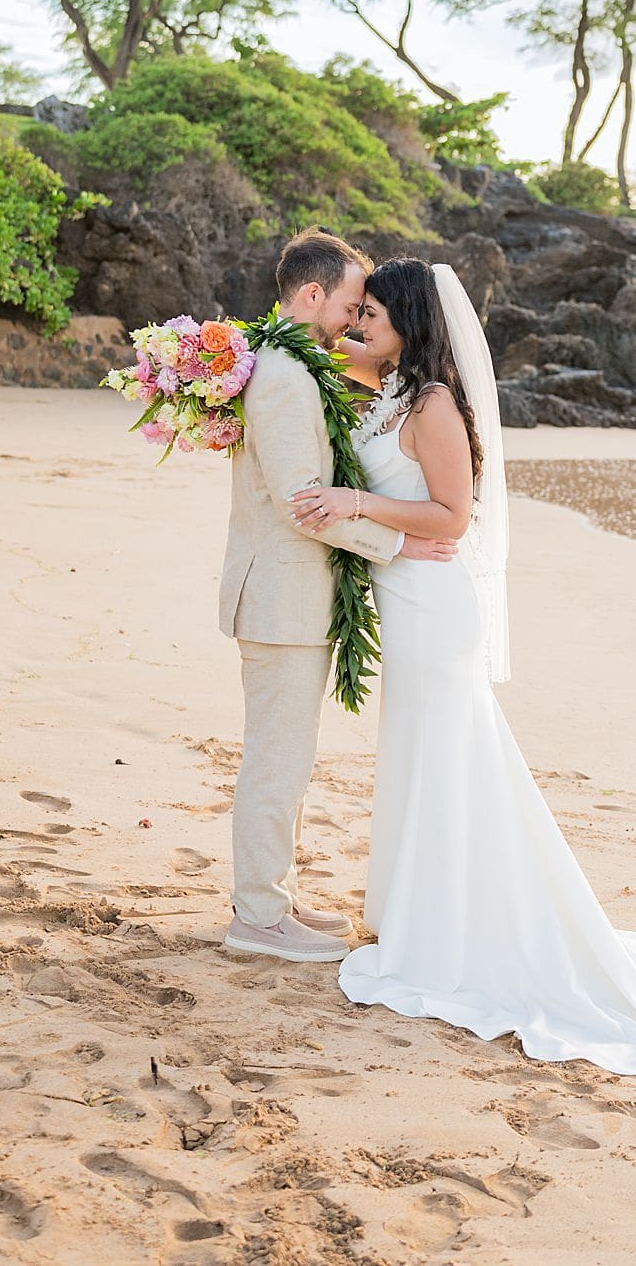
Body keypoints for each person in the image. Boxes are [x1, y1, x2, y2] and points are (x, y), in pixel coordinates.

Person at [289, 257, 636, 1077]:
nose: (363, 326)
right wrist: (223, 353)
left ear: (412, 322)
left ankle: (447, 934)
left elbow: (454, 516)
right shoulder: (393, 381)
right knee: (422, 762)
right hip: (411, 597)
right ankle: (415, 916)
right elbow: (307, 348)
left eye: (377, 316)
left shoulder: (432, 404)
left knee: (446, 761)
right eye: (362, 315)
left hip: (435, 608)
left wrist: (358, 503)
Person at [218, 230, 457, 965]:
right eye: (353, 304)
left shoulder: (293, 361)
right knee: (277, 761)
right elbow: (302, 503)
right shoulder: (285, 374)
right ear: (313, 295)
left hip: (292, 596)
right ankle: (258, 916)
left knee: (288, 757)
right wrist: (401, 545)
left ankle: (274, 898)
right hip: (282, 597)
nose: (355, 321)